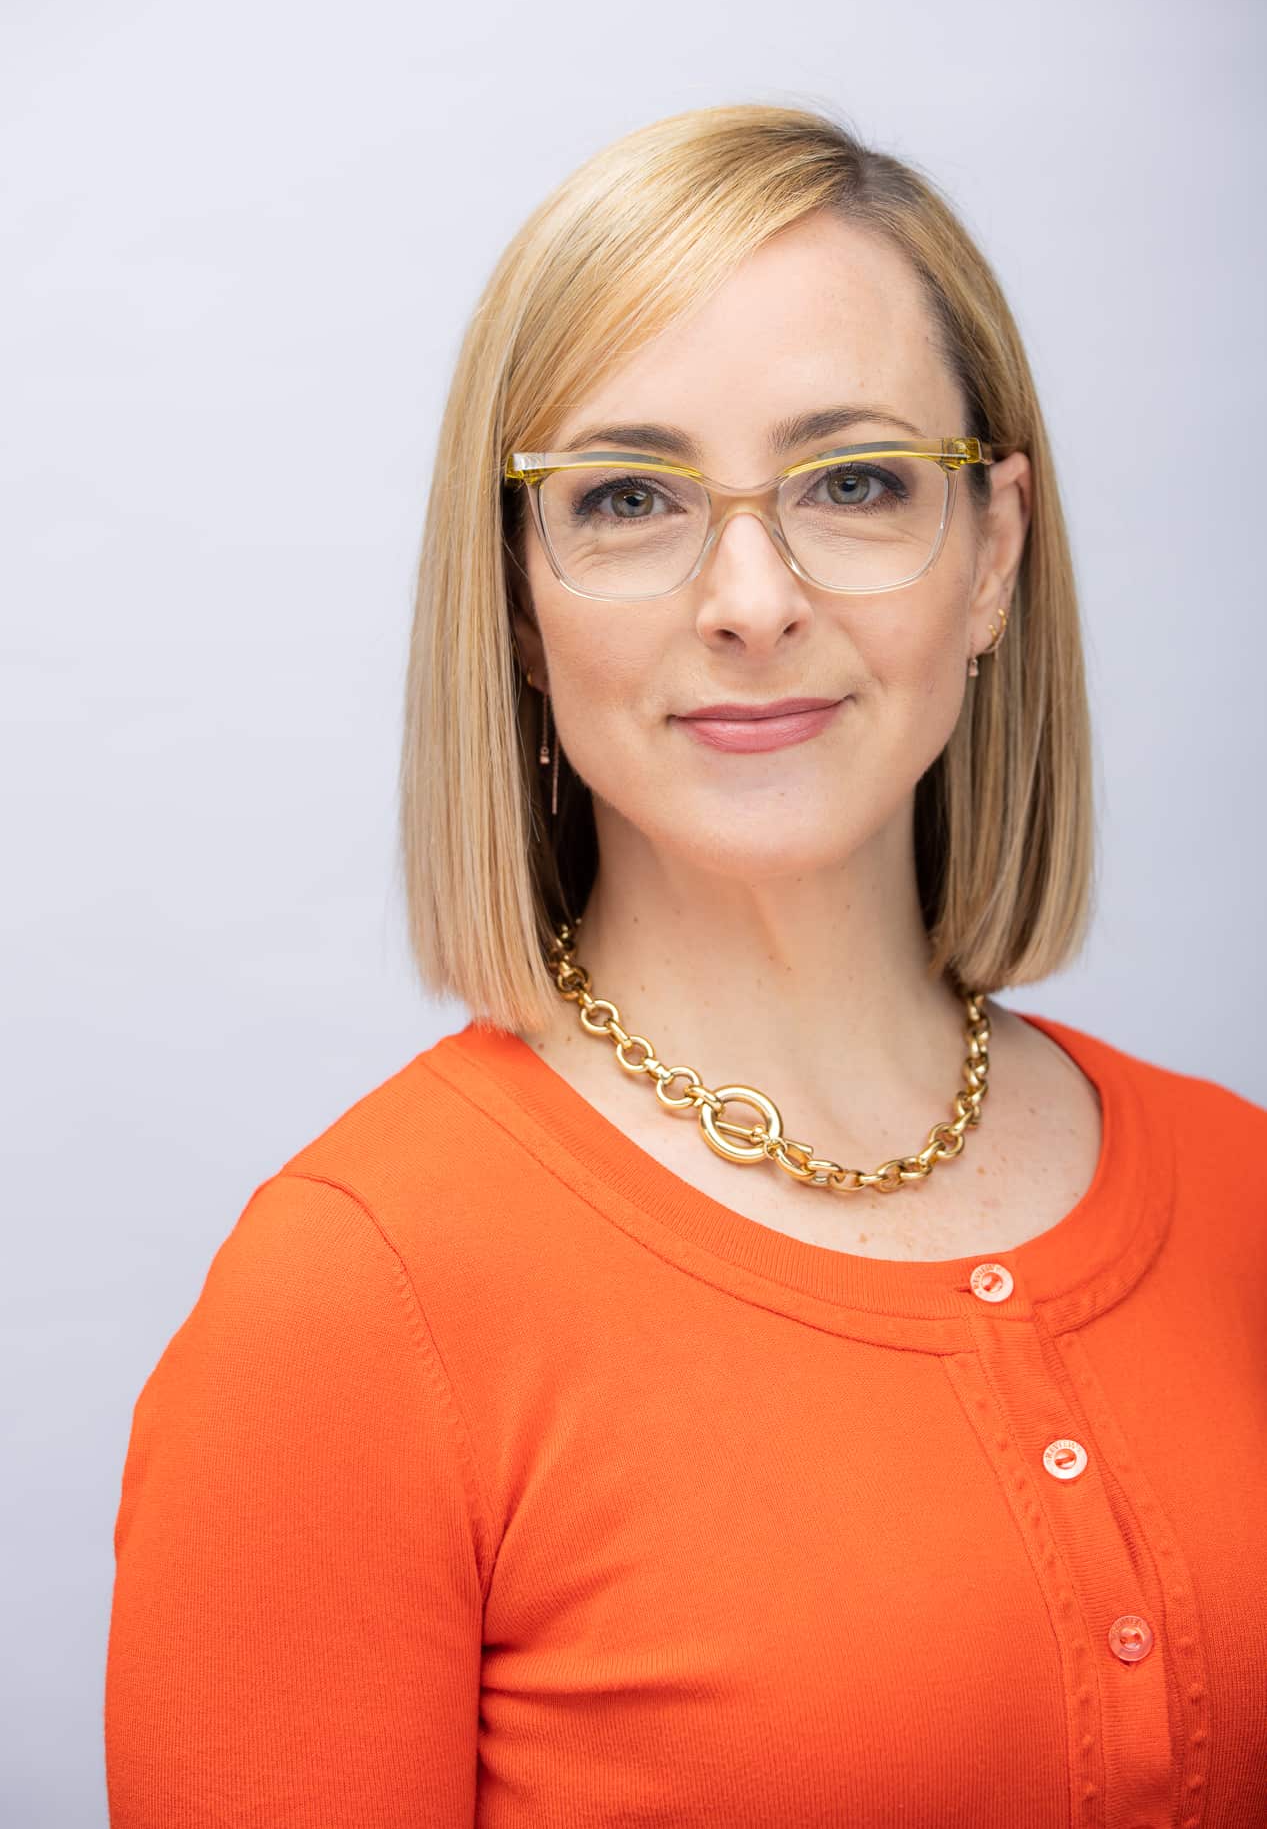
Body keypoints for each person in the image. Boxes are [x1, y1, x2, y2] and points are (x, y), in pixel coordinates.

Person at [105, 103, 1267, 1826]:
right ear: (517, 598)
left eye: (855, 482)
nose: (750, 600)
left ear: (995, 553)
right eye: (631, 497)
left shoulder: (1244, 1192)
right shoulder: (353, 1305)